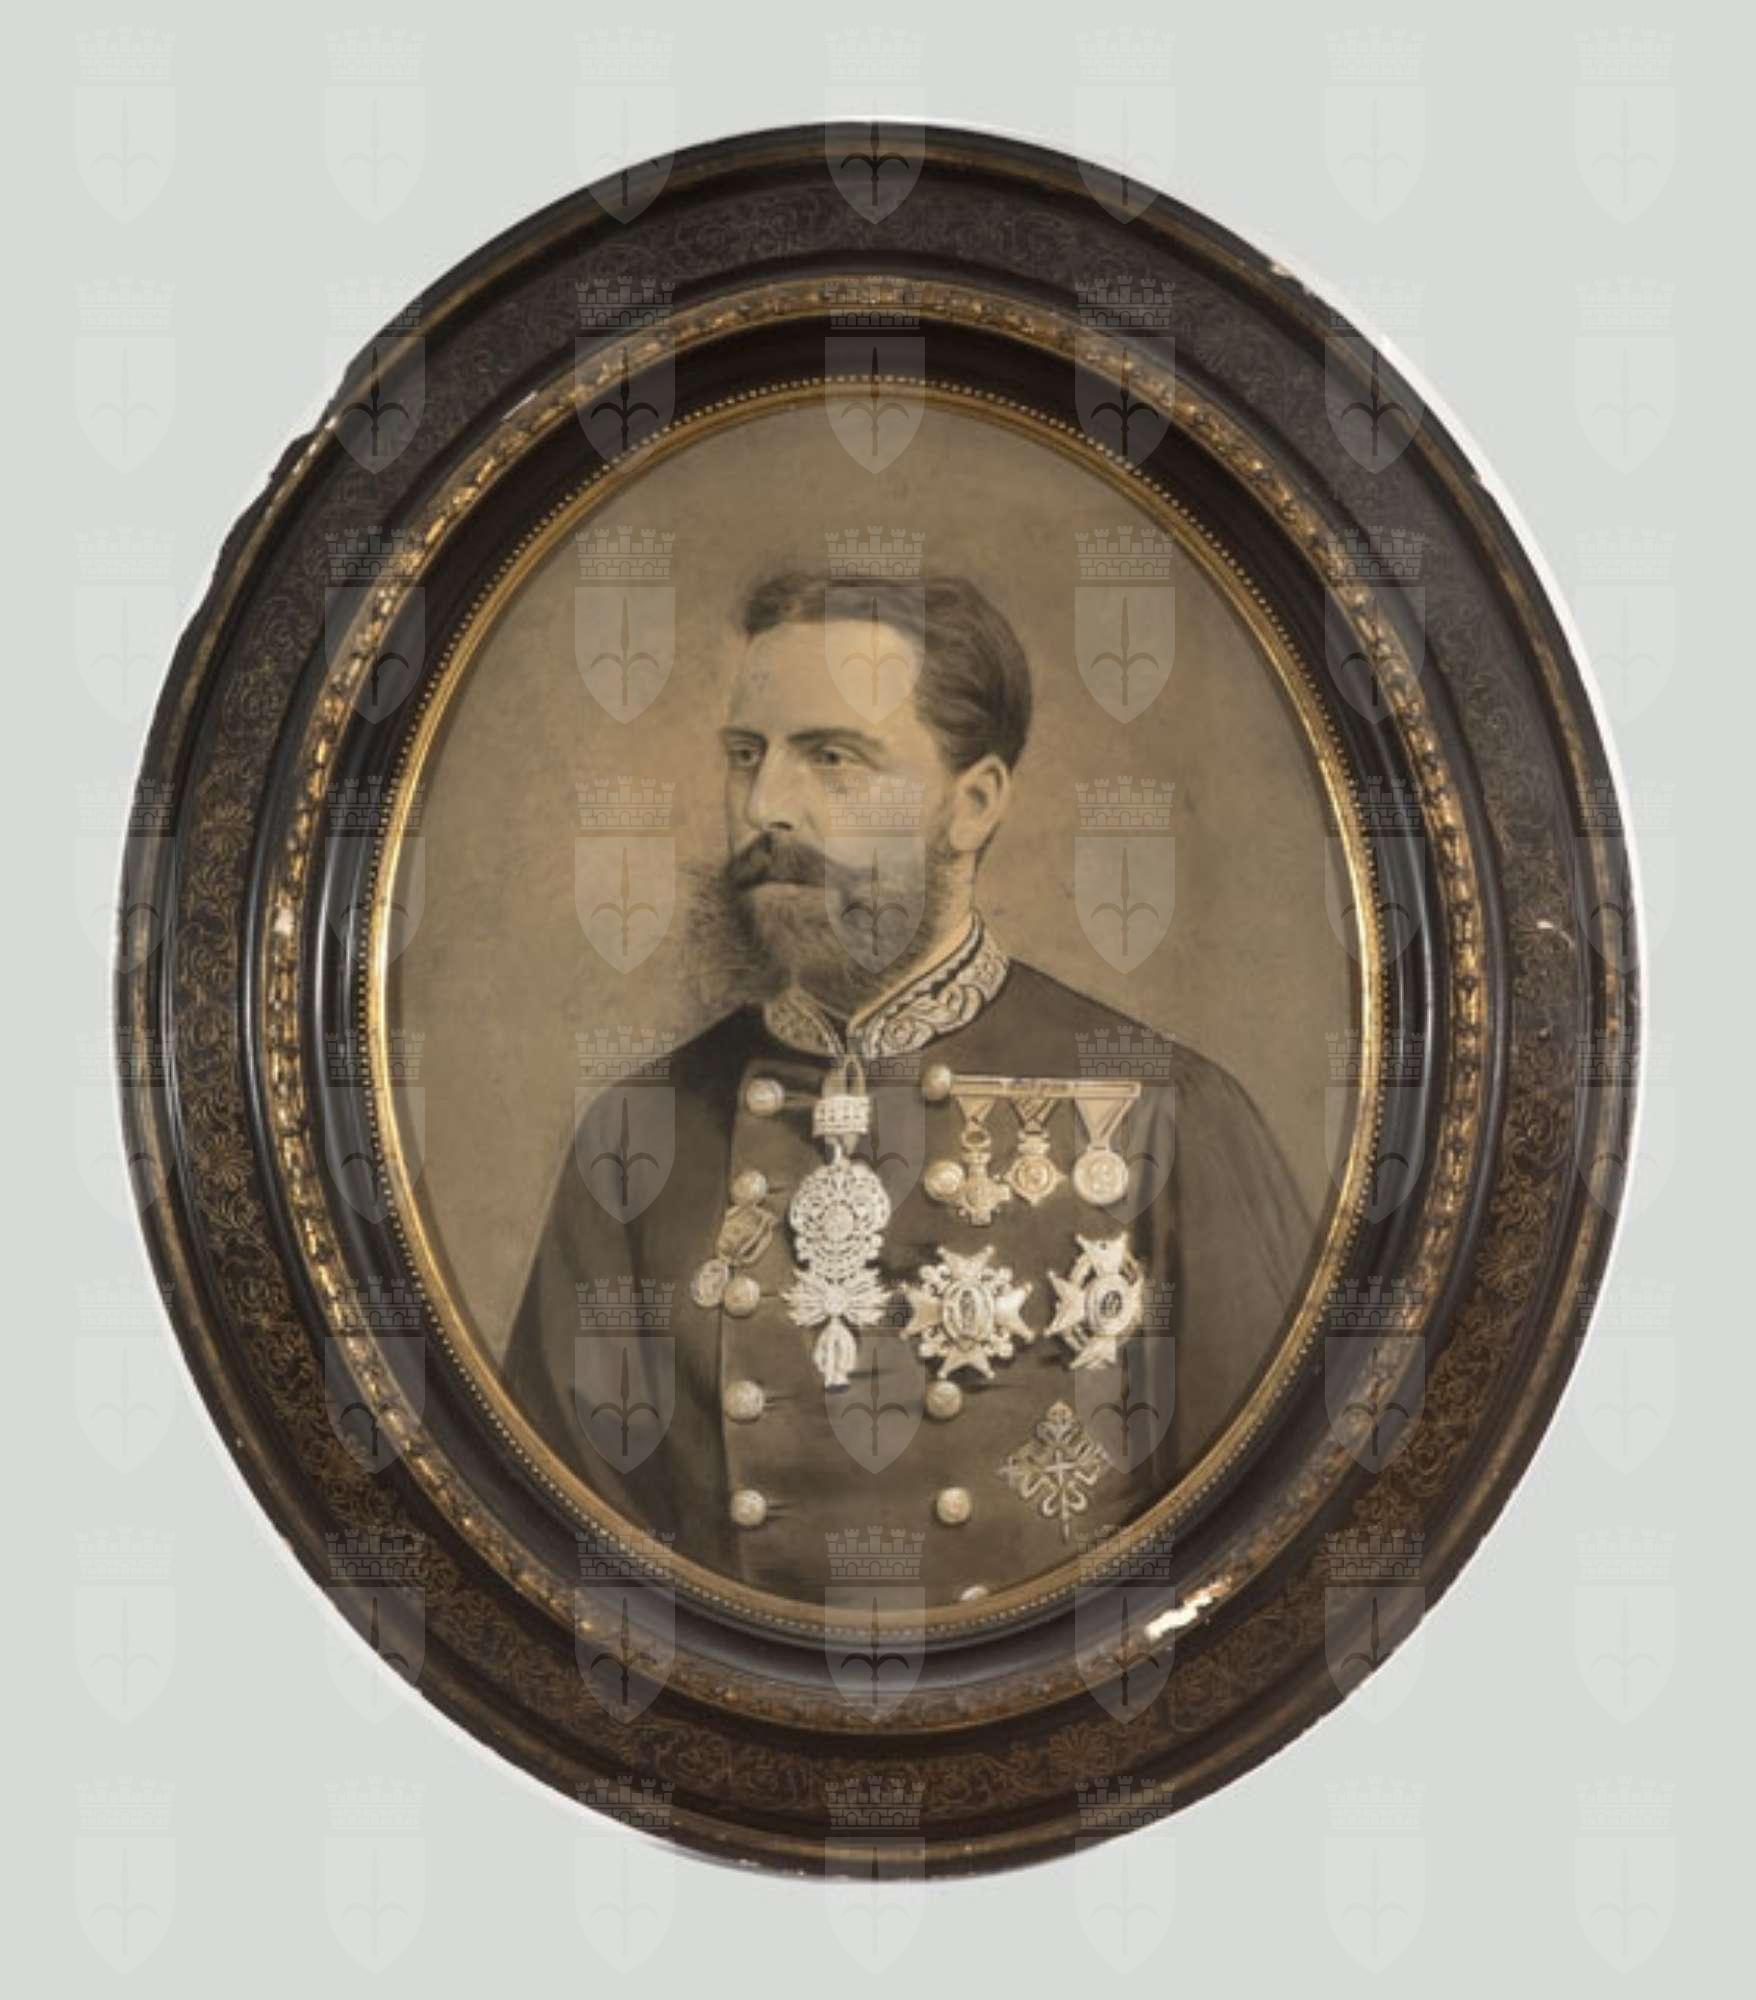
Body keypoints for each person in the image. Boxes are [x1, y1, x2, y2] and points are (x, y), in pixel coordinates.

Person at [504, 571, 1311, 1604]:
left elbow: (1270, 1550)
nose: (764, 807)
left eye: (833, 758)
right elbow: (557, 1568)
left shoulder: (1166, 1113)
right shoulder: (637, 1135)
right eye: (747, 755)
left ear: (971, 805)